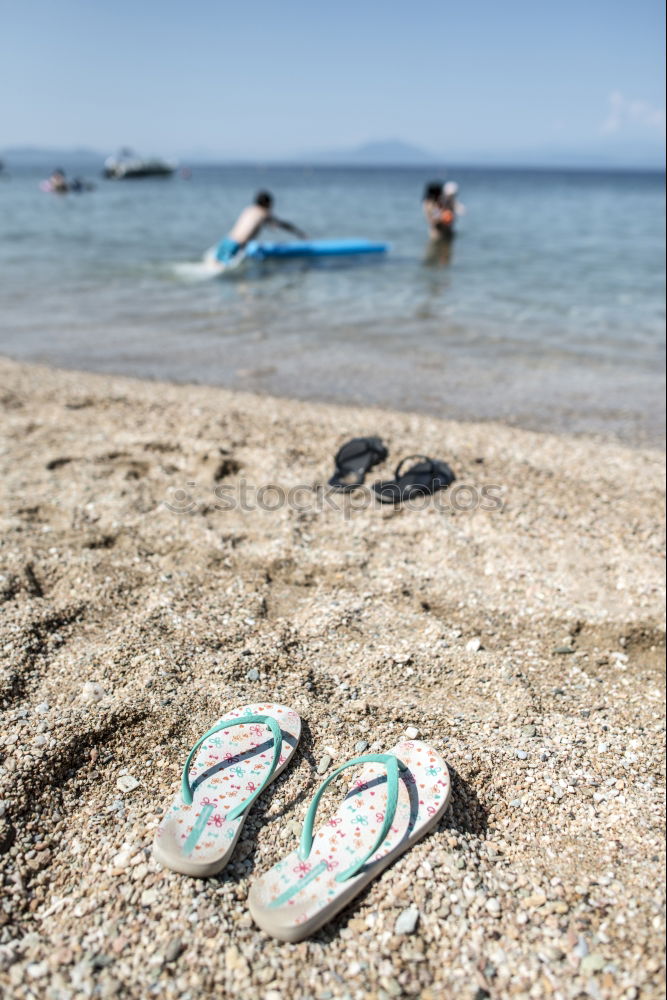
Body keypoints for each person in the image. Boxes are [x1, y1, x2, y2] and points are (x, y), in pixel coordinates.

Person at [214, 191, 306, 263]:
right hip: (236, 246)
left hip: (226, 241)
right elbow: (282, 225)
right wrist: (298, 232)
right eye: (271, 203)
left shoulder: (249, 209)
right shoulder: (264, 213)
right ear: (266, 203)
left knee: (215, 266)